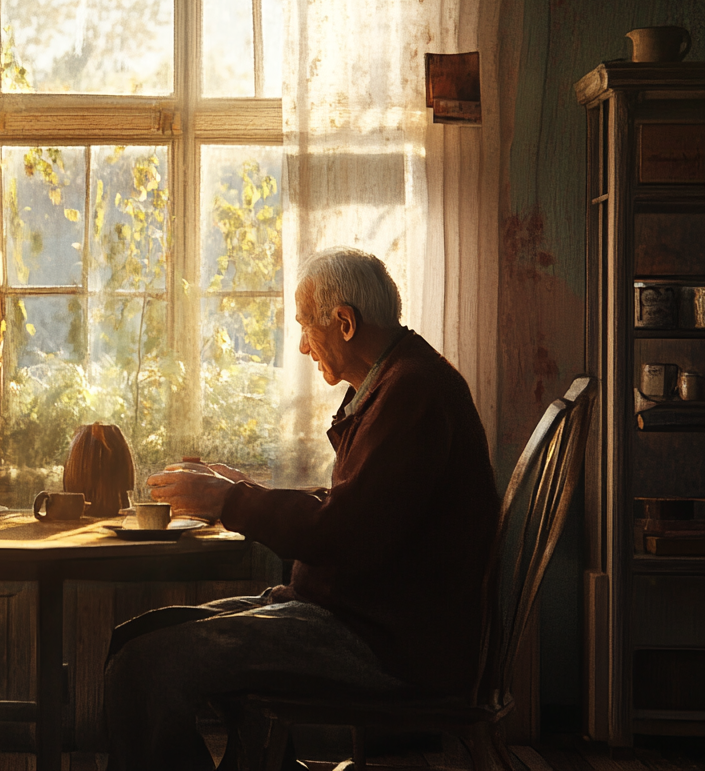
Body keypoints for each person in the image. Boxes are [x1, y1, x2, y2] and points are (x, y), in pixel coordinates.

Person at [104, 247, 501, 771]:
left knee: (145, 662)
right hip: (372, 623)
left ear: (344, 323)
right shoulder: (400, 381)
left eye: (305, 327)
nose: (301, 345)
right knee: (137, 637)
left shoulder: (412, 392)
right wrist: (241, 487)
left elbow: (343, 533)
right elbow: (360, 508)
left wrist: (230, 502)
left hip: (386, 646)